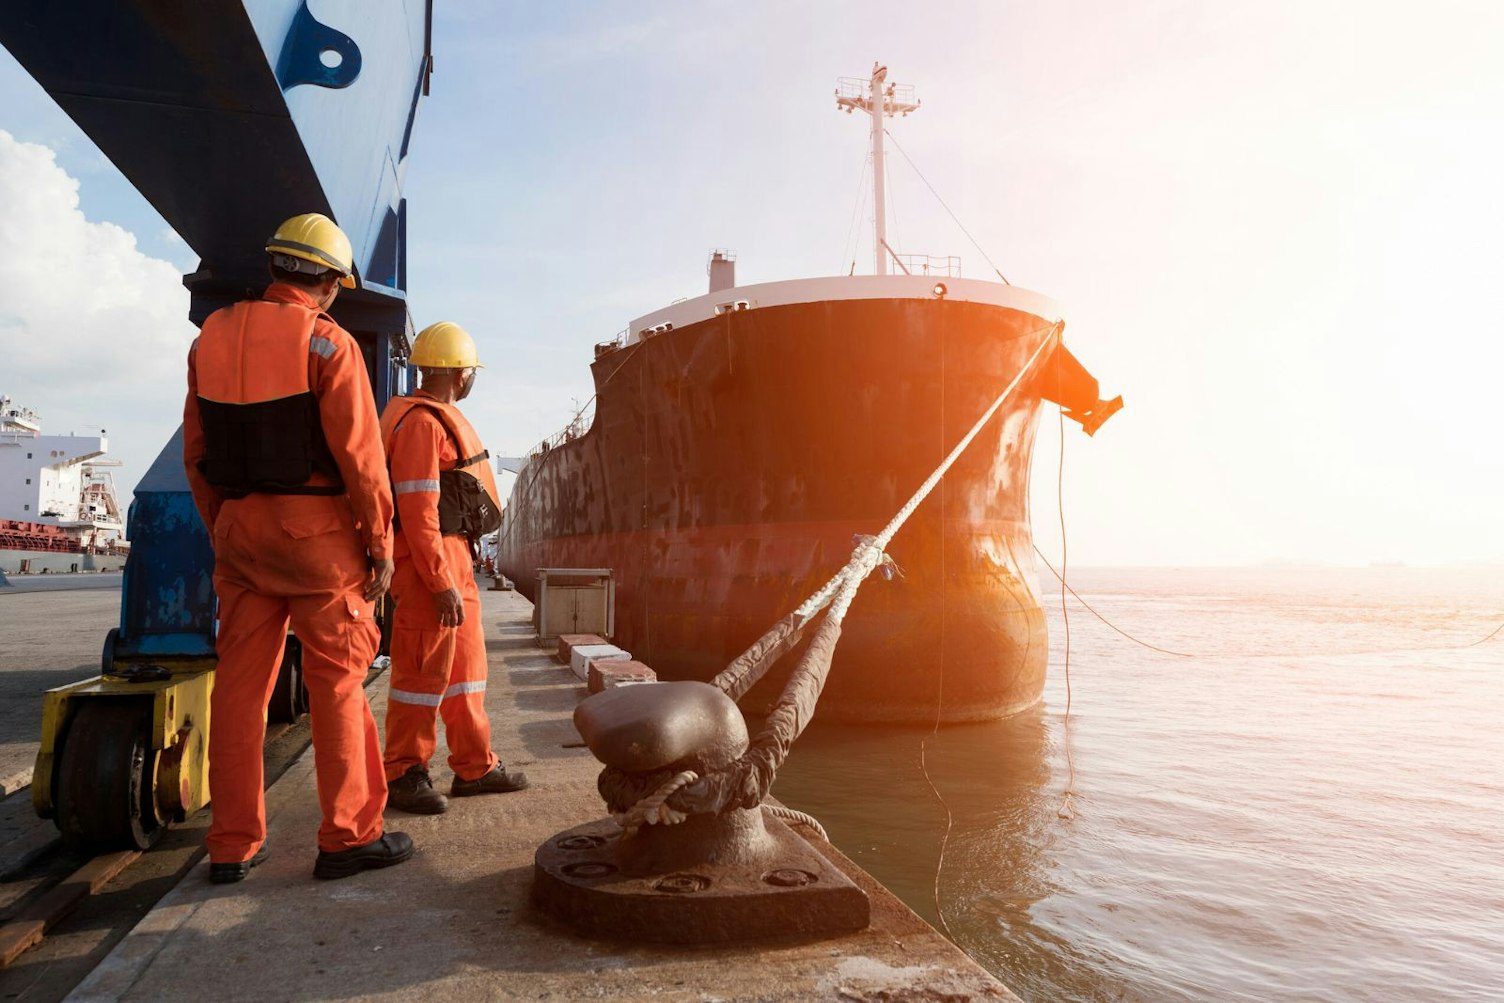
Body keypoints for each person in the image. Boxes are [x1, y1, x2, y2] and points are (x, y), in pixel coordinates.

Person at [183, 212, 414, 882]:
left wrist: (224, 525)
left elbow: (198, 453)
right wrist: (380, 547)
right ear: (332, 284)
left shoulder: (211, 339)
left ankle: (230, 844)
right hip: (319, 543)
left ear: (275, 266)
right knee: (339, 685)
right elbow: (362, 462)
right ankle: (346, 836)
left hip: (240, 536)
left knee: (239, 693)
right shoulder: (327, 344)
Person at [379, 321, 528, 814]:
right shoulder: (421, 424)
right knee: (420, 675)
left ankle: (475, 767)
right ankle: (404, 772)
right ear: (461, 373)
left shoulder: (431, 417)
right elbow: (419, 510)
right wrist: (439, 581)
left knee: (467, 672)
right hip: (430, 566)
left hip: (454, 559)